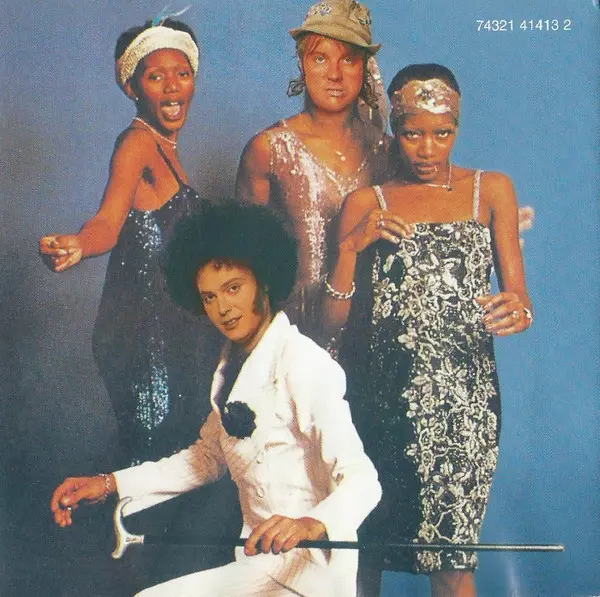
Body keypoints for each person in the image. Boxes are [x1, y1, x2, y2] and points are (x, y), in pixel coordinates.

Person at [50, 203, 382, 597]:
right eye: (209, 297)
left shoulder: (303, 362)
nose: (222, 308)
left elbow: (363, 479)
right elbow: (205, 459)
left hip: (311, 576)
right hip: (261, 567)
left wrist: (309, 524)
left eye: (233, 288)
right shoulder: (230, 366)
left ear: (264, 281)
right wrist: (108, 484)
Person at [39, 15, 239, 591]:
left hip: (180, 341)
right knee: (157, 474)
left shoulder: (167, 149)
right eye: (156, 76)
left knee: (179, 476)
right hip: (148, 344)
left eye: (182, 73)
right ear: (132, 86)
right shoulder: (137, 143)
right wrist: (79, 244)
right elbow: (109, 219)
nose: (172, 87)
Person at [323, 64, 533, 597]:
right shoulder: (367, 202)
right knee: (362, 556)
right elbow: (330, 323)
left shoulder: (492, 190)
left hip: (465, 402)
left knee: (453, 560)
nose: (427, 149)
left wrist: (518, 311)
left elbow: (520, 298)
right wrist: (349, 249)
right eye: (412, 133)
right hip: (380, 396)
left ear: (457, 126)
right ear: (395, 128)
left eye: (442, 133)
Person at [235, 0, 389, 345]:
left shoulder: (388, 154)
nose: (334, 74)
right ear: (302, 63)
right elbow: (243, 266)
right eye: (320, 58)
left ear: (365, 67)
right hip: (293, 345)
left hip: (372, 343)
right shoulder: (269, 149)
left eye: (348, 59)